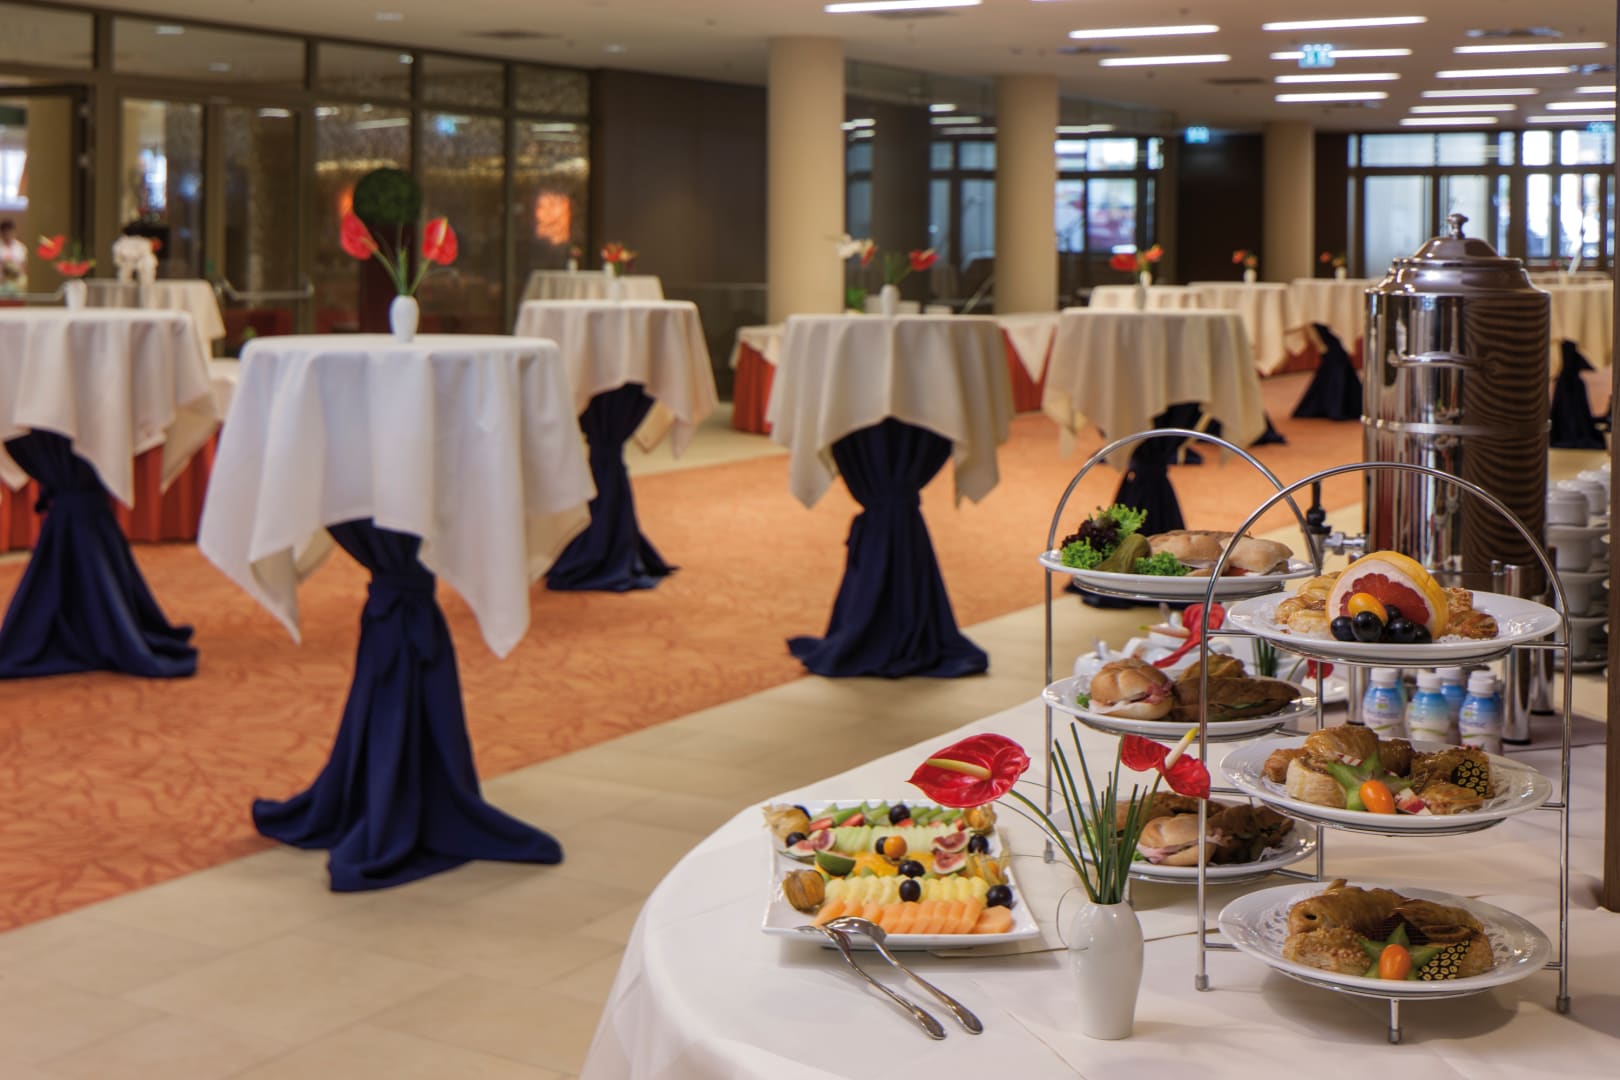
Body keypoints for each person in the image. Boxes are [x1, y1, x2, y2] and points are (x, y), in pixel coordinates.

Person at [0, 219, 26, 293]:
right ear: (2, 233)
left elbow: (23, 265)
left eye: (10, 232)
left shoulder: (21, 247)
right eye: (5, 232)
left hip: (17, 278)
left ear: (14, 232)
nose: (8, 234)